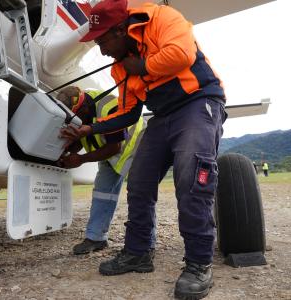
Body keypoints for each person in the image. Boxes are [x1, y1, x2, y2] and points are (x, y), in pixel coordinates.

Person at [59, 0, 227, 299]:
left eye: (103, 41)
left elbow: (182, 54)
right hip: (162, 116)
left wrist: (144, 66)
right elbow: (129, 113)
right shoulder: (119, 67)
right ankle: (138, 253)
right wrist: (91, 128)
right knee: (138, 183)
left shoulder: (163, 17)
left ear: (121, 29)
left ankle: (199, 263)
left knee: (191, 178)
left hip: (198, 103)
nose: (102, 51)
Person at [56, 86, 155, 255]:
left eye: (75, 117)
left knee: (140, 195)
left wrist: (80, 159)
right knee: (102, 193)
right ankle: (96, 238)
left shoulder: (109, 107)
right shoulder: (83, 112)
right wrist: (67, 151)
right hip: (108, 153)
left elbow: (113, 147)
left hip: (135, 149)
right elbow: (83, 137)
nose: (73, 121)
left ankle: (146, 243)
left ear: (84, 107)